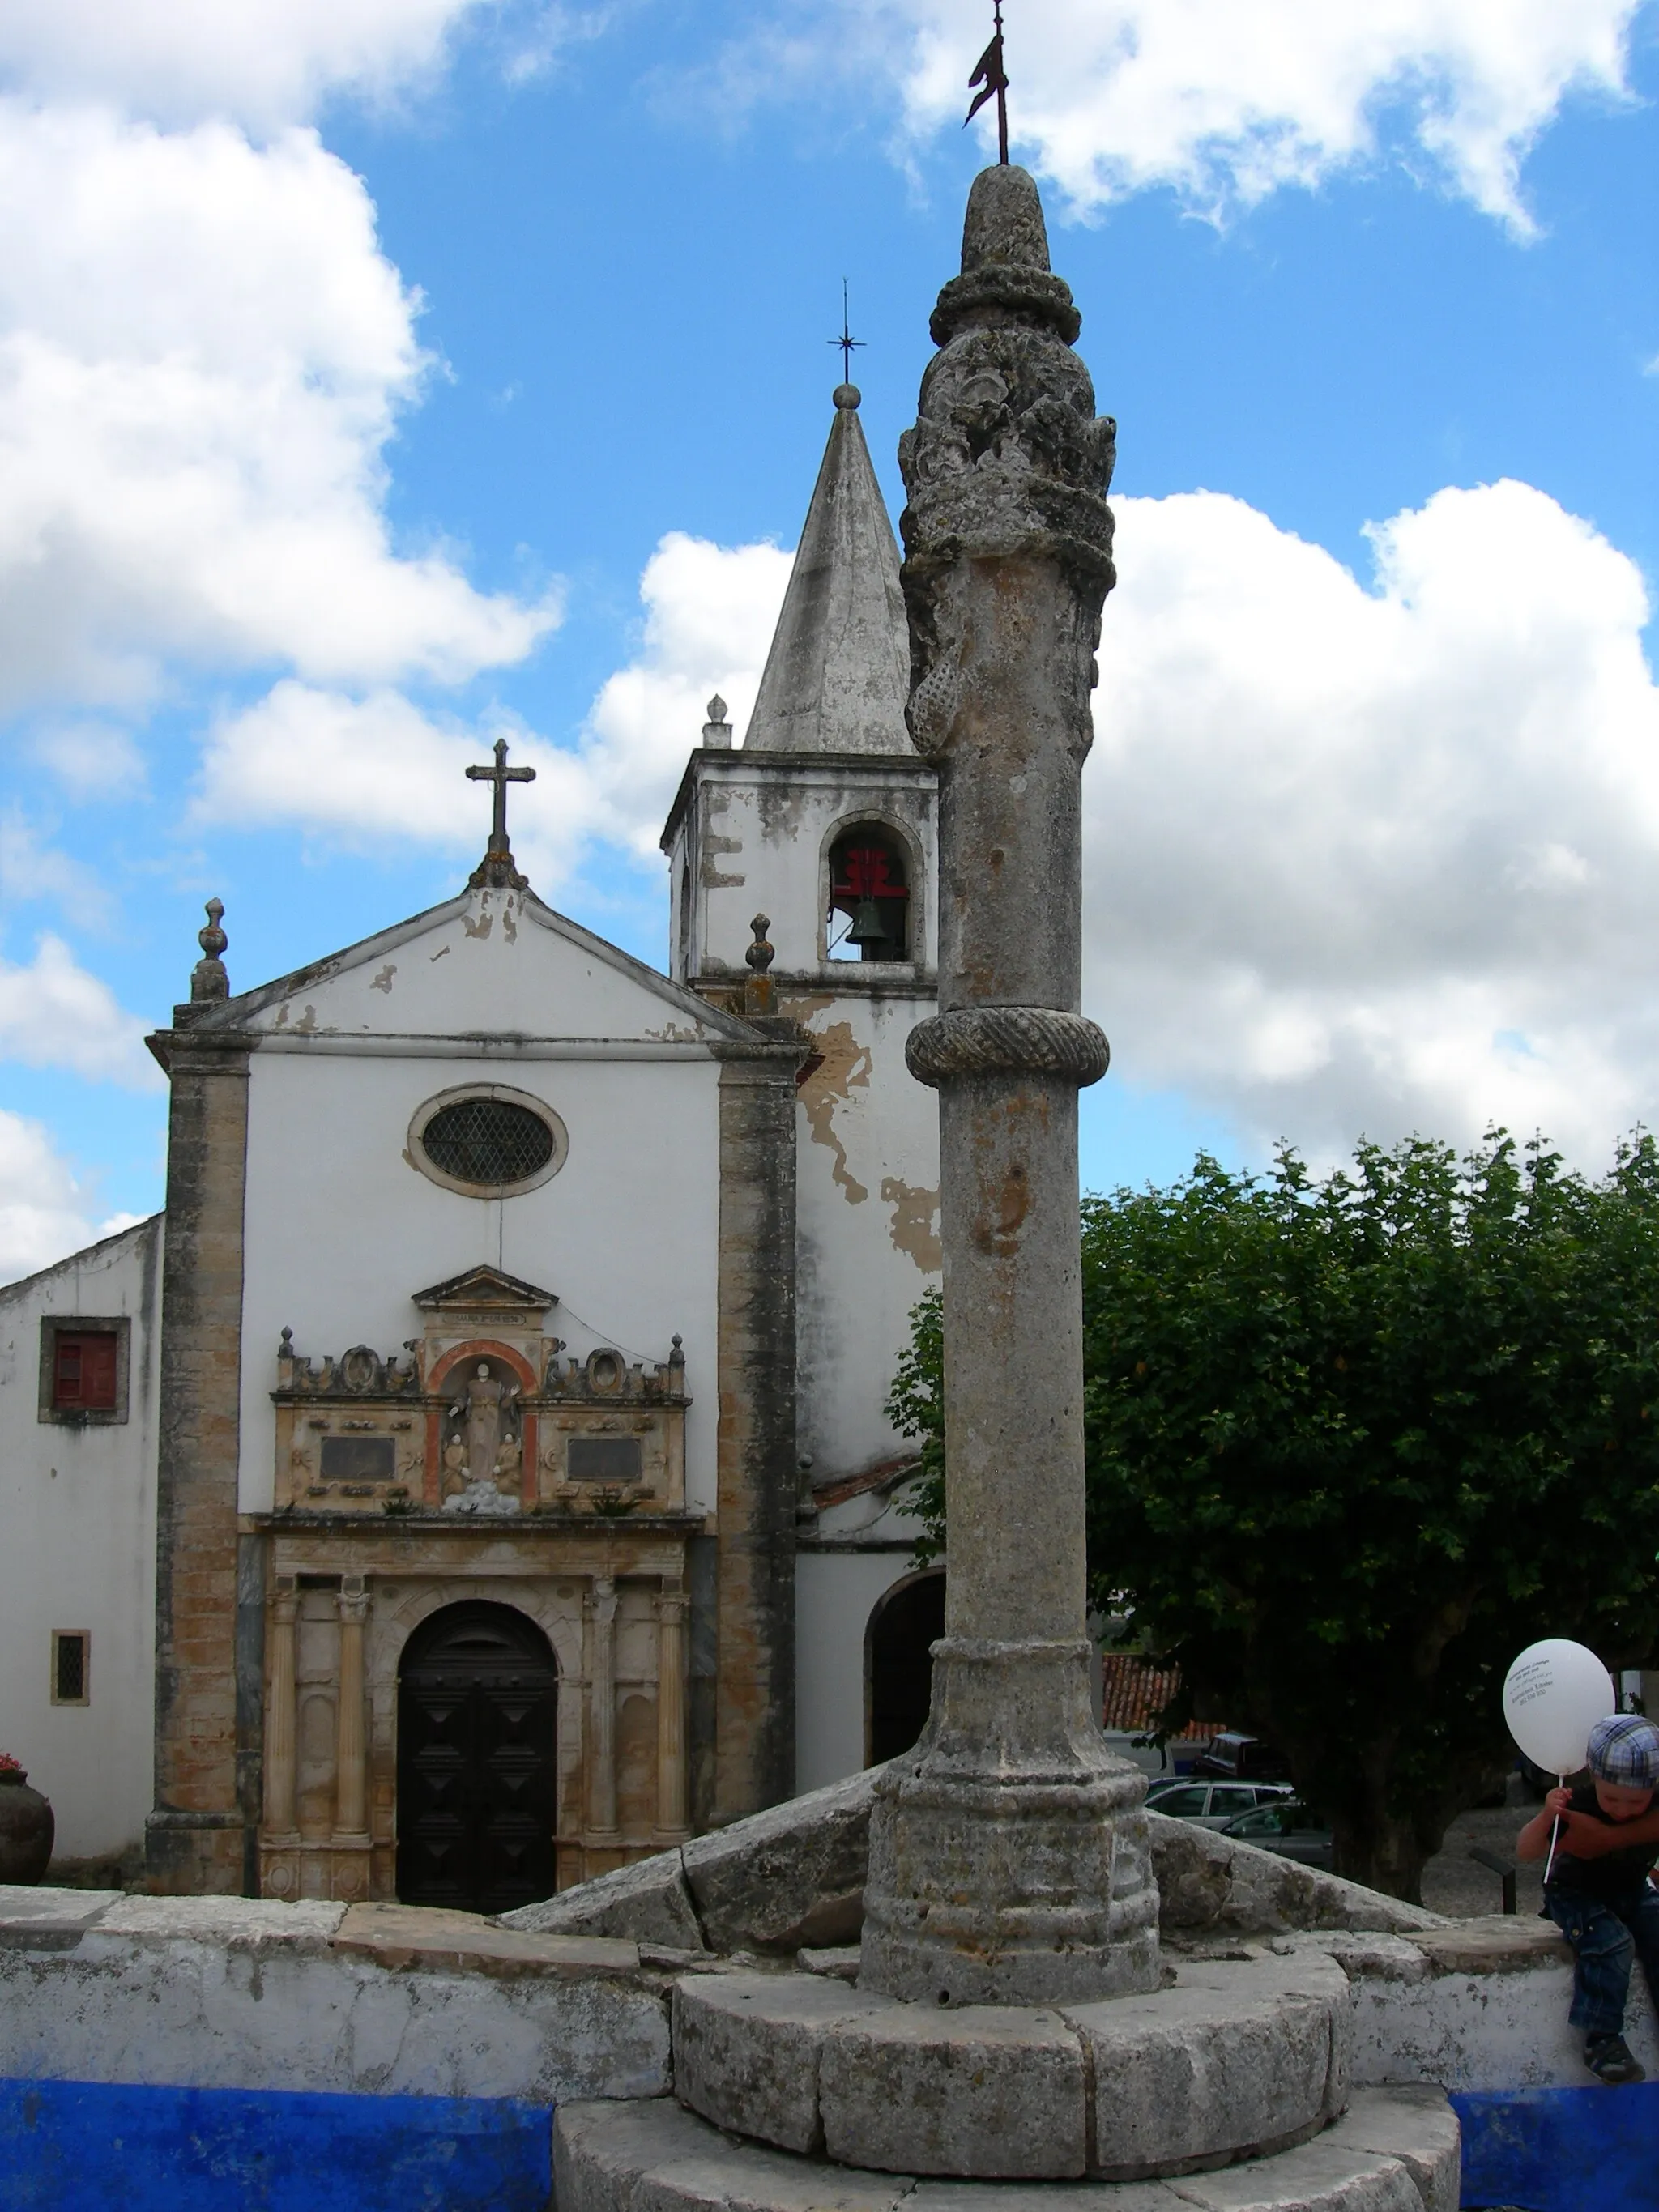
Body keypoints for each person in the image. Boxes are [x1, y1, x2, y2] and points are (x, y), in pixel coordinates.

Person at [1517, 1712, 1659, 2083]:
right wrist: (1548, 1815)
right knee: (1613, 1943)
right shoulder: (1578, 1806)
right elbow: (1526, 1850)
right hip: (1576, 1893)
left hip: (1631, 1888)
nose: (1623, 1810)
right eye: (1612, 1798)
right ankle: (1602, 2040)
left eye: (1636, 1802)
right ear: (1594, 1777)